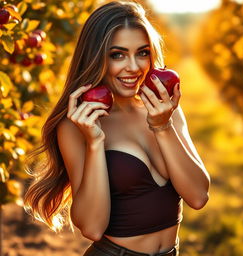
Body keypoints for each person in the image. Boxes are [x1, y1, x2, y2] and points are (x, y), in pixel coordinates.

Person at [24, 1, 210, 256]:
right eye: (117, 55)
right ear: (95, 57)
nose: (133, 67)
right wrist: (94, 142)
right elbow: (92, 227)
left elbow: (198, 197)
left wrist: (163, 126)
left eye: (142, 53)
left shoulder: (164, 108)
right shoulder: (77, 125)